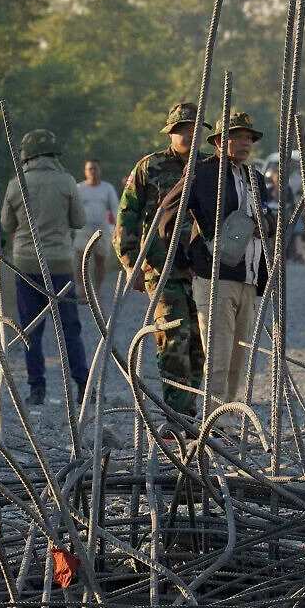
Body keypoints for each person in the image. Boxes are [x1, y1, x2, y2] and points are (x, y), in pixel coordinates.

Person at [156, 110, 273, 422]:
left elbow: (266, 217)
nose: (246, 142)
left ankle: (227, 420)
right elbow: (168, 214)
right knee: (218, 357)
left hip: (248, 276)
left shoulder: (254, 178)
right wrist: (185, 261)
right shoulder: (203, 173)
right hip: (215, 278)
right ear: (220, 141)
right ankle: (214, 424)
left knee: (238, 358)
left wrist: (267, 224)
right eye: (238, 136)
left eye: (249, 137)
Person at [115, 102, 206, 420]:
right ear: (171, 132)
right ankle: (175, 413)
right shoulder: (150, 167)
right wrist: (130, 262)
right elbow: (128, 214)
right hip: (161, 267)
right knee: (171, 339)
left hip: (201, 270)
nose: (189, 134)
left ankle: (190, 408)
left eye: (195, 129)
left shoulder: (209, 167)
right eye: (183, 129)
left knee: (200, 344)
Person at [0, 130, 89, 408]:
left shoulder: (17, 184)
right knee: (69, 328)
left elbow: (6, 226)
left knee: (30, 330)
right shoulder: (67, 181)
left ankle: (37, 387)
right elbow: (79, 221)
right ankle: (82, 385)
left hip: (26, 265)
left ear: (26, 155)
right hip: (60, 263)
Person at [76, 158, 119, 297]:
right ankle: (84, 288)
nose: (93, 171)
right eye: (90, 169)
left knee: (100, 259)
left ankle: (98, 289)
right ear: (85, 171)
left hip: (102, 227)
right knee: (82, 258)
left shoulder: (107, 188)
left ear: (99, 171)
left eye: (95, 168)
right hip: (84, 227)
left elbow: (114, 207)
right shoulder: (79, 188)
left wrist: (118, 225)